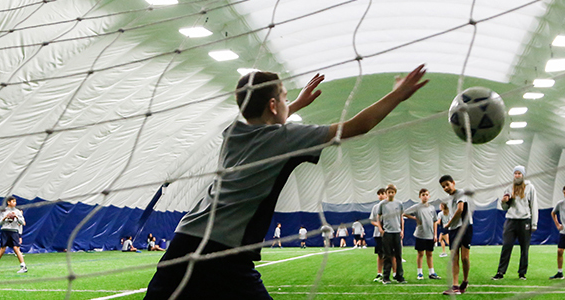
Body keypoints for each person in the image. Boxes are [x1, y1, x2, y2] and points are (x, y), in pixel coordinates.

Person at [144, 65, 429, 299]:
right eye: (283, 96)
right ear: (272, 104)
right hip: (224, 252)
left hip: (186, 239)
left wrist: (294, 104)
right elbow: (356, 127)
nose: (286, 102)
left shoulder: (233, 132)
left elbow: (267, 120)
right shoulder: (285, 138)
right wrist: (397, 95)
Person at [493, 166, 539, 281]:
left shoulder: (530, 187)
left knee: (524, 248)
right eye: (515, 173)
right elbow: (504, 207)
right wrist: (504, 201)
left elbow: (534, 205)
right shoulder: (509, 188)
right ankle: (500, 272)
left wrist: (534, 223)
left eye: (519, 173)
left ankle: (522, 273)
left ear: (523, 175)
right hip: (511, 220)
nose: (517, 175)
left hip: (525, 220)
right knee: (506, 246)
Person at [440, 175, 473, 295]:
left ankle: (464, 281)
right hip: (454, 230)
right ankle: (454, 286)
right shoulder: (449, 198)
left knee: (464, 258)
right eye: (443, 187)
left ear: (453, 183)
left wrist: (448, 224)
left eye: (447, 185)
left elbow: (460, 210)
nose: (446, 188)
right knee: (454, 257)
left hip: (464, 227)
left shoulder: (460, 193)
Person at [403, 188, 441, 280]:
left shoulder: (432, 208)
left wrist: (435, 235)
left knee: (430, 254)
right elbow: (404, 213)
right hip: (420, 234)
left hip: (430, 234)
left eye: (426, 195)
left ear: (429, 196)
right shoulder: (417, 207)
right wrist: (414, 218)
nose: (425, 196)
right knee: (420, 254)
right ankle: (419, 273)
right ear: (420, 196)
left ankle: (431, 272)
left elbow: (435, 221)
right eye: (423, 195)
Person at [377, 185, 406, 284]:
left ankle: (399, 276)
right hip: (387, 233)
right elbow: (378, 216)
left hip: (397, 232)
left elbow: (401, 218)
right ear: (386, 193)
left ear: (395, 193)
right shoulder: (382, 204)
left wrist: (402, 230)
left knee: (398, 255)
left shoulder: (399, 204)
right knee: (387, 255)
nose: (390, 194)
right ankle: (386, 277)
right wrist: (380, 229)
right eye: (388, 192)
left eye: (392, 192)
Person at [0, 196, 27, 274]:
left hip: (14, 231)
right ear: (8, 202)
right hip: (5, 231)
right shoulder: (3, 211)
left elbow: (22, 222)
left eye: (15, 202)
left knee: (16, 248)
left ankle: (23, 267)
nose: (15, 203)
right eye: (13, 201)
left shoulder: (17, 211)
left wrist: (16, 217)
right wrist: (5, 218)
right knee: (2, 249)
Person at [369, 188, 388, 282]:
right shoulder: (375, 207)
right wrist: (379, 225)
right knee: (380, 254)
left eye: (383, 193)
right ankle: (379, 273)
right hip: (378, 234)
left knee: (389, 254)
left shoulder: (390, 206)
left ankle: (390, 273)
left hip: (389, 233)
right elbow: (372, 220)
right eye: (379, 194)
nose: (381, 195)